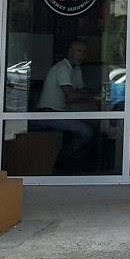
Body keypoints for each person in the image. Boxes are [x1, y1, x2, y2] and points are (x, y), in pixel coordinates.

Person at [36, 40, 96, 168]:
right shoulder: (63, 68)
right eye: (79, 51)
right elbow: (71, 95)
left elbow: (80, 91)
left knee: (94, 121)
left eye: (84, 52)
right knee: (86, 131)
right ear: (70, 52)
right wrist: (93, 96)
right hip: (49, 113)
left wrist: (94, 95)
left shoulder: (76, 68)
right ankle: (62, 159)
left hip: (62, 110)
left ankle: (77, 160)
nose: (82, 55)